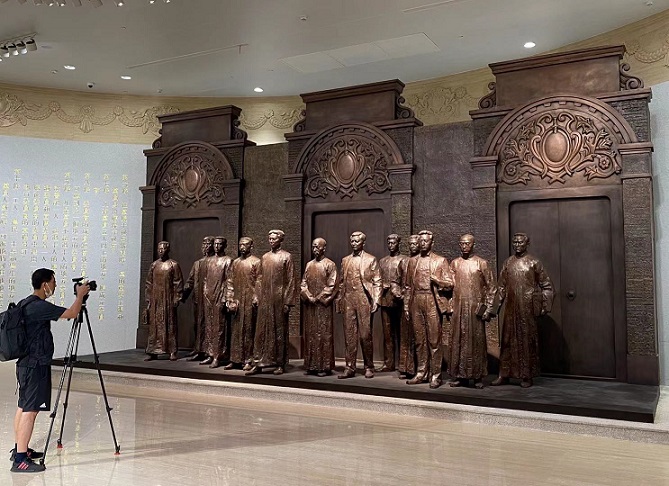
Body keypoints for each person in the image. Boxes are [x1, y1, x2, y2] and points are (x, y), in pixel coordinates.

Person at [11, 268, 90, 473]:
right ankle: (20, 460)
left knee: (23, 406)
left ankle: (19, 449)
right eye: (53, 281)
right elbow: (72, 313)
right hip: (36, 365)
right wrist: (80, 296)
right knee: (30, 411)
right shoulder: (39, 306)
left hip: (25, 364)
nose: (55, 285)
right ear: (45, 284)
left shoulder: (25, 303)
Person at [492, 233, 554, 388]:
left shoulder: (534, 262)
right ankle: (504, 374)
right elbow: (501, 288)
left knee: (526, 341)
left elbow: (547, 286)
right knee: (507, 340)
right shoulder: (508, 262)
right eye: (515, 242)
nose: (517, 245)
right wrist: (492, 309)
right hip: (510, 308)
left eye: (520, 242)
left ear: (527, 243)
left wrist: (544, 306)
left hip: (527, 309)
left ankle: (527, 375)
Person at [403, 230, 453, 389]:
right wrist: (406, 305)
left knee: (434, 340)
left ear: (432, 243)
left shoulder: (440, 261)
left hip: (432, 300)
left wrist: (437, 280)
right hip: (416, 300)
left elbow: (450, 283)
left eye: (425, 241)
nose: (422, 243)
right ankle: (421, 372)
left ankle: (436, 375)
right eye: (420, 241)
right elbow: (407, 286)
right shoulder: (412, 261)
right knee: (419, 340)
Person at [447, 234, 496, 389]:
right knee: (458, 340)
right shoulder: (455, 263)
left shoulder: (482, 263)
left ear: (473, 245)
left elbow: (492, 287)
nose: (464, 246)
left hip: (475, 309)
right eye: (462, 243)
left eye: (467, 243)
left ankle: (477, 376)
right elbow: (449, 287)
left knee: (476, 341)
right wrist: (450, 306)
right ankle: (459, 375)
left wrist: (488, 308)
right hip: (459, 308)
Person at [247, 230, 296, 376]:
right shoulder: (265, 257)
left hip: (279, 299)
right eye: (270, 238)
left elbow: (291, 280)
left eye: (274, 239)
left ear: (280, 240)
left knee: (278, 331)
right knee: (261, 332)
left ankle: (279, 363)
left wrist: (287, 302)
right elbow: (259, 278)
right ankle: (258, 362)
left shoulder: (287, 257)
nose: (271, 241)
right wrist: (256, 296)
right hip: (264, 299)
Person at [336, 231, 382, 379]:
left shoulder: (371, 259)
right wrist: (339, 300)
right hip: (349, 299)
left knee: (365, 335)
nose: (354, 243)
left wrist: (376, 300)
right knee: (349, 335)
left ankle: (369, 366)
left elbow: (377, 281)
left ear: (363, 243)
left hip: (363, 299)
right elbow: (341, 283)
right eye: (352, 241)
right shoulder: (345, 260)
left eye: (357, 241)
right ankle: (350, 367)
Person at [300, 238, 337, 377]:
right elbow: (303, 283)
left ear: (324, 248)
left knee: (323, 335)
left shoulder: (330, 264)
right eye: (313, 247)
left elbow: (332, 285)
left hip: (323, 306)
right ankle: (311, 365)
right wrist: (308, 296)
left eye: (317, 247)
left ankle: (324, 367)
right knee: (311, 334)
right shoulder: (309, 265)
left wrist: (320, 297)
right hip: (310, 306)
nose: (315, 249)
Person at [224, 237, 261, 371]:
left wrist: (256, 296)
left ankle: (248, 359)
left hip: (250, 302)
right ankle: (235, 359)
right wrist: (229, 299)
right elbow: (229, 282)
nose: (242, 247)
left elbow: (259, 281)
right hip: (238, 301)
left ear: (251, 246)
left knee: (249, 330)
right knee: (236, 331)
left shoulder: (256, 262)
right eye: (240, 245)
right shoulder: (235, 263)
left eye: (245, 245)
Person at [145, 241, 184, 362]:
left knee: (169, 325)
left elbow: (178, 282)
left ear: (168, 250)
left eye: (163, 249)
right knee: (154, 327)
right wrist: (149, 299)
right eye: (159, 249)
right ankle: (153, 351)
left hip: (168, 299)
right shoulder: (154, 265)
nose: (161, 251)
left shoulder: (173, 265)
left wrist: (177, 297)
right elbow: (149, 283)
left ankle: (172, 350)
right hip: (155, 300)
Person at [201, 236, 232, 369]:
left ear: (224, 246)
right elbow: (206, 279)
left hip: (220, 297)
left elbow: (229, 280)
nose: (217, 246)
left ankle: (218, 355)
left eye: (219, 244)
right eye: (215, 244)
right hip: (209, 297)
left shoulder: (228, 260)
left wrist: (227, 298)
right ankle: (209, 353)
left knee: (219, 327)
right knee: (209, 326)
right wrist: (205, 291)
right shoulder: (210, 261)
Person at [182, 236, 214, 361]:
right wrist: (182, 295)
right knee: (198, 325)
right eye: (204, 244)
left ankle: (209, 352)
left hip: (211, 300)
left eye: (208, 244)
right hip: (198, 299)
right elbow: (190, 281)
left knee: (210, 326)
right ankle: (199, 349)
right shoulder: (197, 263)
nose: (205, 246)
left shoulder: (216, 262)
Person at [378, 234, 407, 373]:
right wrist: (381, 286)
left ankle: (403, 364)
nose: (391, 245)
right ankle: (388, 363)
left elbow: (407, 281)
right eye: (389, 242)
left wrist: (399, 291)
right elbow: (377, 280)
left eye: (393, 242)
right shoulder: (382, 261)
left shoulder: (404, 260)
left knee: (402, 334)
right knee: (387, 334)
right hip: (385, 300)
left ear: (398, 243)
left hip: (399, 301)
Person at [396, 234, 420, 379]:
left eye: (415, 244)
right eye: (410, 244)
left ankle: (421, 369)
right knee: (406, 336)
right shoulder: (404, 262)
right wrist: (398, 292)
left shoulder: (423, 261)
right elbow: (395, 281)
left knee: (419, 337)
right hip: (406, 302)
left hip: (421, 301)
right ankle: (406, 368)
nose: (413, 246)